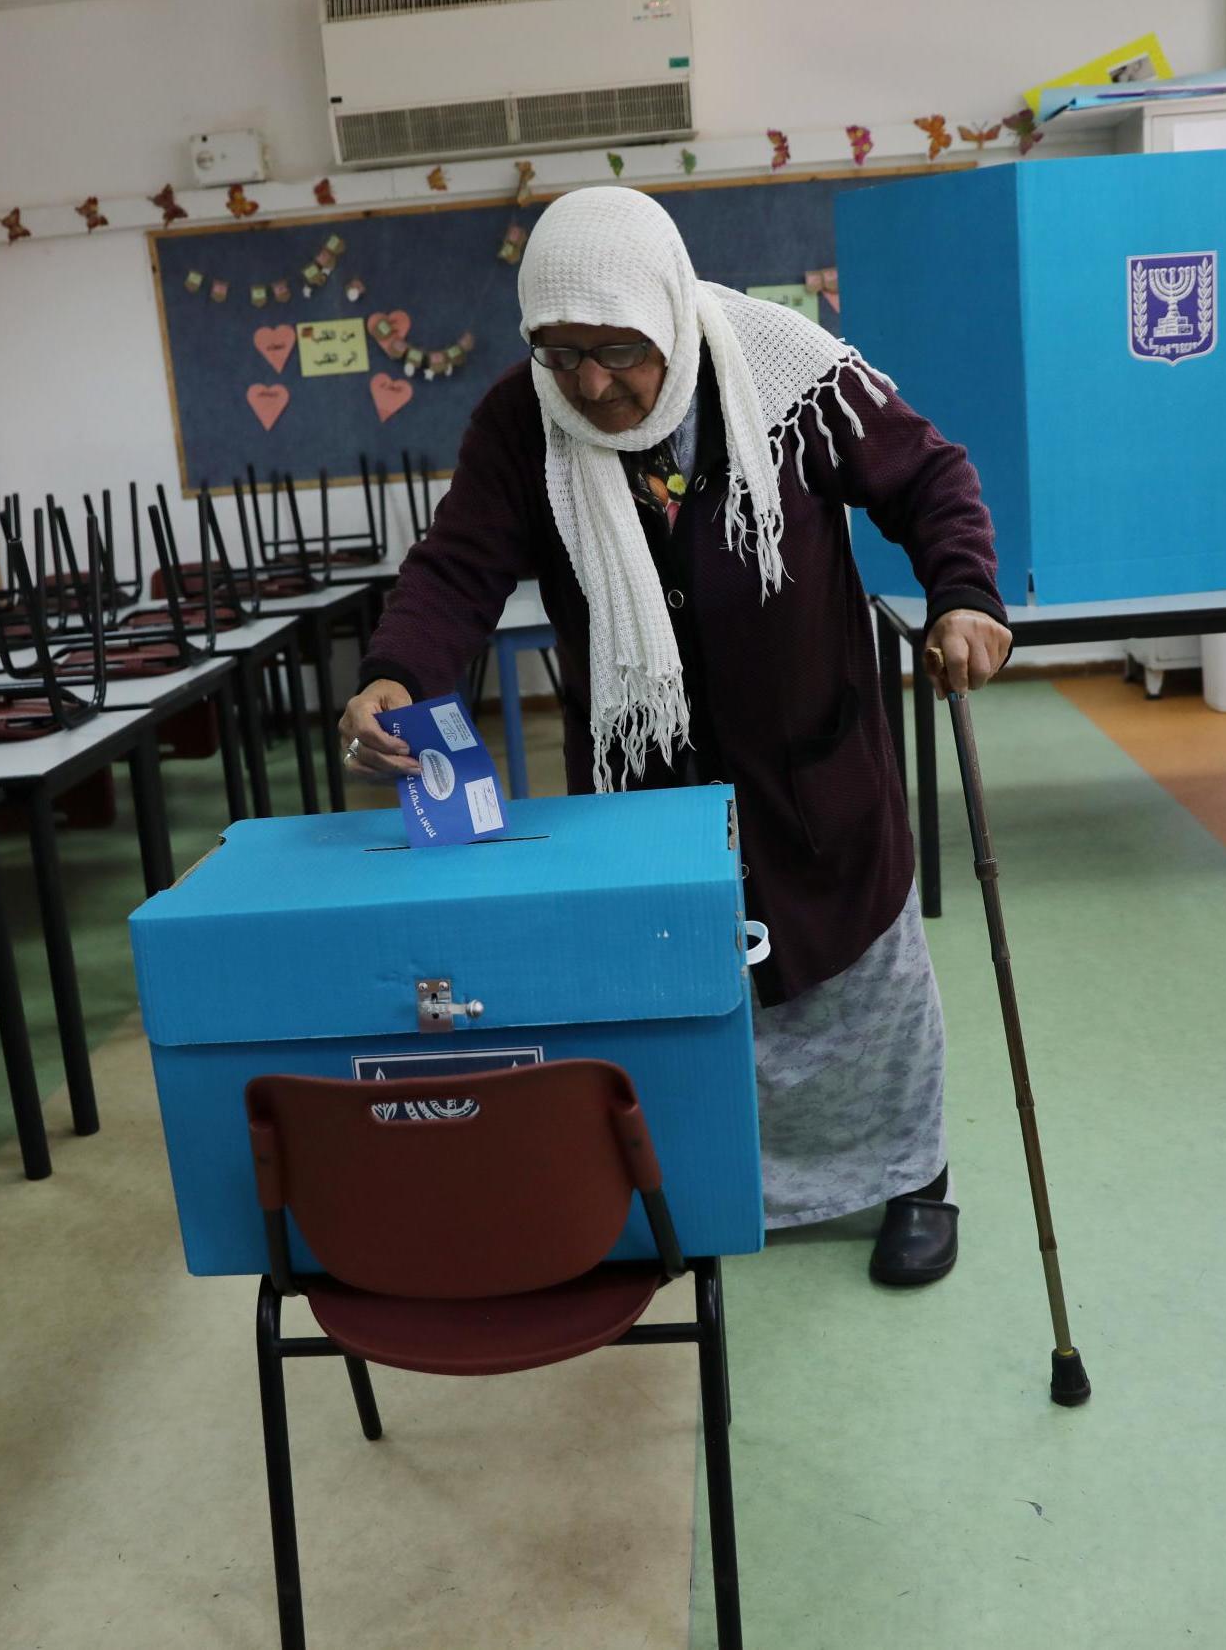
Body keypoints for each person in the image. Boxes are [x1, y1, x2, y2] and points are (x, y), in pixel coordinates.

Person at [338, 186, 1012, 1286]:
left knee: (860, 989)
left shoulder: (787, 372)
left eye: (616, 351)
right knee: (677, 986)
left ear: (663, 311)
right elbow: (456, 565)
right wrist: (392, 674)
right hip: (649, 776)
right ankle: (698, 1181)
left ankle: (909, 1176)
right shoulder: (524, 419)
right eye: (561, 355)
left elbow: (928, 475)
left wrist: (962, 595)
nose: (593, 385)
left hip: (811, 759)